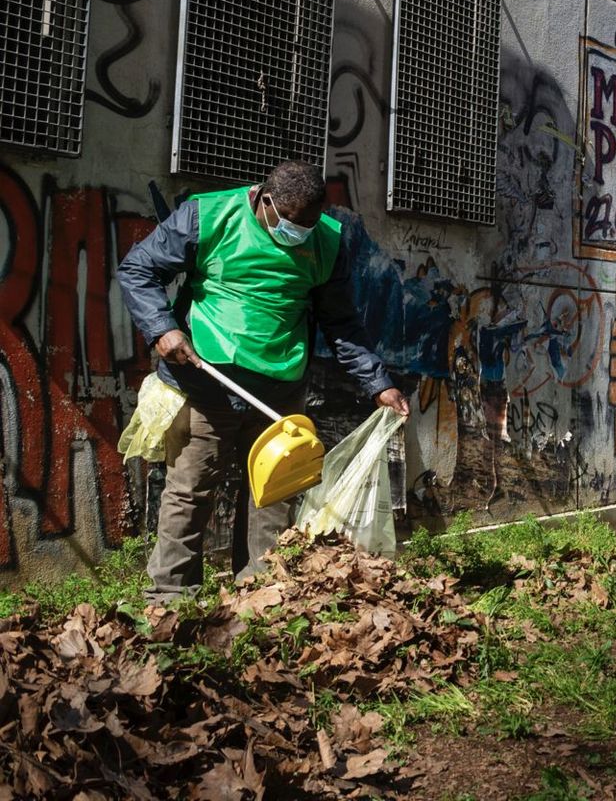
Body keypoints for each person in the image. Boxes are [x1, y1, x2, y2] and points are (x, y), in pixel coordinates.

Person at [118, 161, 408, 600]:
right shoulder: (208, 216)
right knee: (190, 492)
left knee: (273, 498)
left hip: (279, 391)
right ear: (265, 201)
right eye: (294, 223)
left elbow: (342, 324)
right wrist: (162, 328)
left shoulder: (327, 241)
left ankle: (262, 598)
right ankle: (169, 603)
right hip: (208, 384)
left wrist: (378, 383)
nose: (303, 233)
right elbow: (138, 269)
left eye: (311, 224)